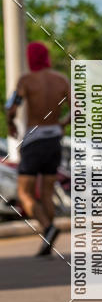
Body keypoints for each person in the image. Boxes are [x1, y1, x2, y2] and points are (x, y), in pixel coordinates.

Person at [5, 41, 70, 256]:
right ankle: (47, 242)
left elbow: (12, 108)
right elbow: (78, 110)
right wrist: (61, 124)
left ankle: (48, 228)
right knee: (48, 193)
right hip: (54, 141)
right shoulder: (61, 80)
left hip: (34, 140)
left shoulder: (26, 80)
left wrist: (10, 123)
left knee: (24, 192)